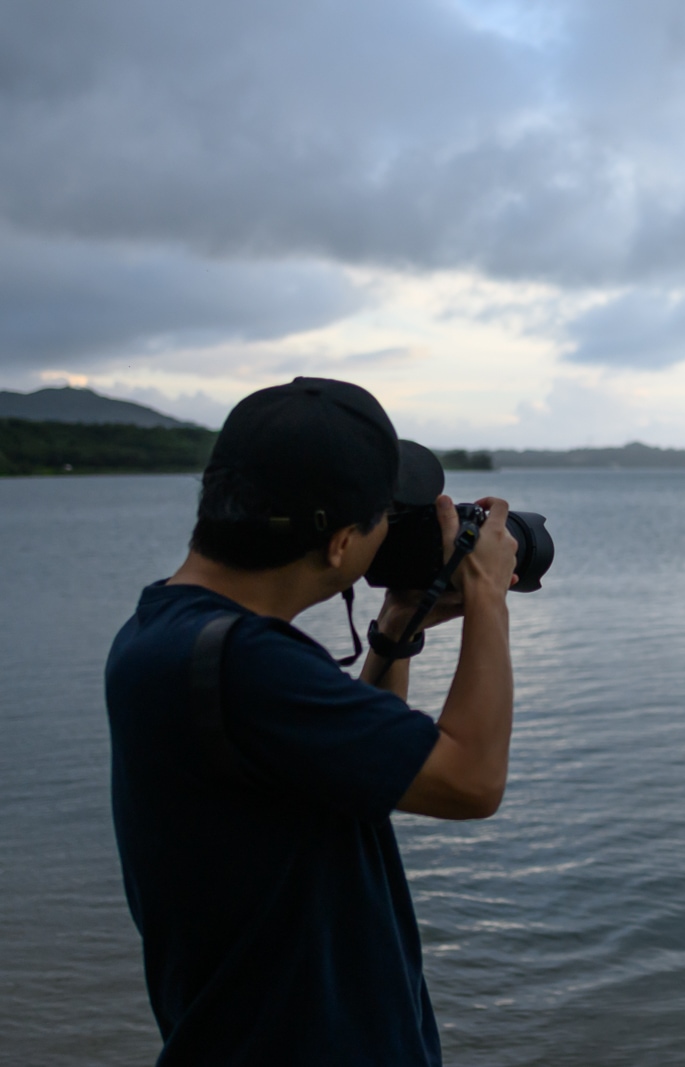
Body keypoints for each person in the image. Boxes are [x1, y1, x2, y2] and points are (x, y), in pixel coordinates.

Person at [105, 378, 519, 1065]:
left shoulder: (168, 633)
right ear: (340, 544)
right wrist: (486, 593)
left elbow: (353, 772)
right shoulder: (247, 665)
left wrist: (394, 630)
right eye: (387, 516)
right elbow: (471, 781)